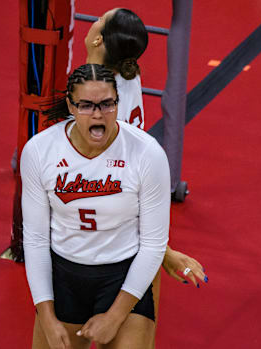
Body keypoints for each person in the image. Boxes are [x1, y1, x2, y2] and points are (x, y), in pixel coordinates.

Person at [22, 63, 169, 348]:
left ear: (118, 103)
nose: (98, 114)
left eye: (107, 104)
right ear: (71, 106)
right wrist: (47, 316)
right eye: (87, 105)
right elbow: (37, 239)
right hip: (64, 277)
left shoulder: (147, 154)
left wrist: (115, 317)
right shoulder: (40, 151)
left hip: (122, 276)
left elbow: (153, 244)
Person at [82, 8, 207, 288]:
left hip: (102, 225)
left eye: (99, 20)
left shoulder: (92, 98)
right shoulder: (130, 75)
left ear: (98, 40)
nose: (93, 22)